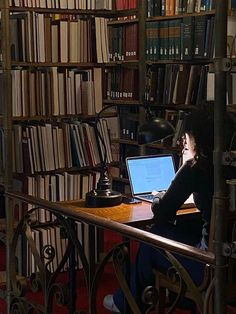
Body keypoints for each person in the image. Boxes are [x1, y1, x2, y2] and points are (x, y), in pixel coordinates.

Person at [103, 109, 215, 313]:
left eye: (187, 136)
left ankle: (127, 303)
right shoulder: (226, 165)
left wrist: (157, 196)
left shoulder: (196, 167)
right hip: (229, 264)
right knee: (179, 227)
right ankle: (169, 298)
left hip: (207, 266)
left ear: (195, 138)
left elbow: (162, 211)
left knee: (152, 237)